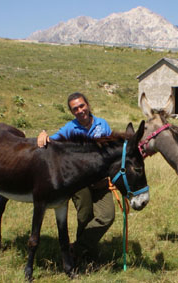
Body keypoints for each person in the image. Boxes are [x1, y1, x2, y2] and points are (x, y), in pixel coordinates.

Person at [37, 92, 115, 262]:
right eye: (75, 109)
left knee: (107, 216)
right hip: (80, 183)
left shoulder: (103, 124)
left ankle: (76, 248)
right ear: (72, 112)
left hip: (102, 181)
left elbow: (110, 153)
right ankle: (86, 255)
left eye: (82, 106)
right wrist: (43, 134)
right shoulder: (69, 128)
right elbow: (51, 142)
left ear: (88, 105)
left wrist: (112, 177)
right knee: (85, 216)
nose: (80, 110)